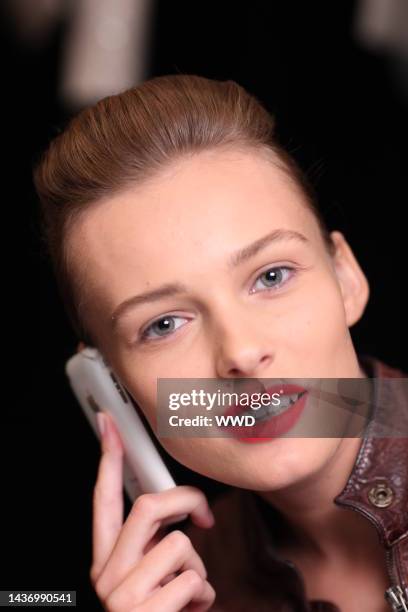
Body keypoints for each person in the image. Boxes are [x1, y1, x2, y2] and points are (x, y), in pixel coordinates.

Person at [33, 74, 408, 612]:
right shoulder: (192, 589)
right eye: (164, 325)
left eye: (271, 276)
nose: (239, 352)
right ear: (113, 388)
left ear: (346, 277)